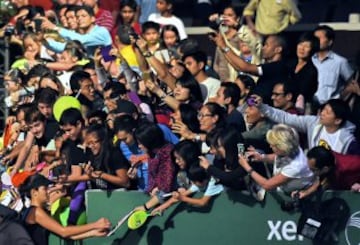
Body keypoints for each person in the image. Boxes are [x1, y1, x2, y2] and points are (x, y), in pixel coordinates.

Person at [18, 174, 110, 244]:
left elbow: (67, 235)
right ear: (34, 192)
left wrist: (93, 233)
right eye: (44, 189)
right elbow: (63, 232)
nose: (48, 191)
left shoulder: (40, 211)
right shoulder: (36, 212)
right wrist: (95, 225)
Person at [255, 96, 360, 155]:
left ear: (337, 120)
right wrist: (262, 107)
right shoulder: (313, 123)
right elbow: (286, 118)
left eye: (328, 112)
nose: (322, 113)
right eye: (323, 109)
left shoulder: (348, 141)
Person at [211, 33, 290, 104]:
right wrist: (221, 47)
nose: (263, 48)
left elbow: (245, 67)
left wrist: (224, 46)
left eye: (266, 45)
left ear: (278, 49)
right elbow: (238, 67)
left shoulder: (278, 67)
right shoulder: (270, 66)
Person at [239, 124, 315, 194]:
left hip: (288, 194)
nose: (270, 147)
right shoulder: (291, 147)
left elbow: (267, 185)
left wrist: (246, 167)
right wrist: (261, 157)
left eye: (274, 145)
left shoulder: (296, 167)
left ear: (283, 146)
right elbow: (278, 156)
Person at [312, 25, 354, 106]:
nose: (316, 41)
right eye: (314, 38)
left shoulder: (340, 62)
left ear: (330, 42)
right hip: (309, 107)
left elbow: (352, 83)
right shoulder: (308, 60)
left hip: (329, 108)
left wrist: (341, 97)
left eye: (320, 38)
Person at [84, 124, 130, 189]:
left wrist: (102, 175)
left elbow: (125, 182)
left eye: (93, 143)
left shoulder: (114, 154)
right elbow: (101, 183)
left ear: (103, 140)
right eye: (88, 144)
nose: (91, 146)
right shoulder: (92, 155)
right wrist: (90, 175)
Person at [289, 32, 319, 113]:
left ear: (312, 50)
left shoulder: (311, 70)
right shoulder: (289, 64)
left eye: (306, 46)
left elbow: (303, 91)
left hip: (301, 108)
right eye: (300, 44)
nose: (302, 48)